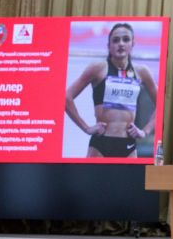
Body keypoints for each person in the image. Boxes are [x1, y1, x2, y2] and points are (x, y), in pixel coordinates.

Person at [65, 22, 158, 158]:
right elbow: (66, 97)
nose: (121, 44)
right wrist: (86, 128)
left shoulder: (142, 71)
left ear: (132, 44)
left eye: (125, 39)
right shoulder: (98, 68)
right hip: (101, 144)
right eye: (116, 40)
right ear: (109, 46)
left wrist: (145, 131)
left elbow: (162, 103)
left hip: (128, 144)